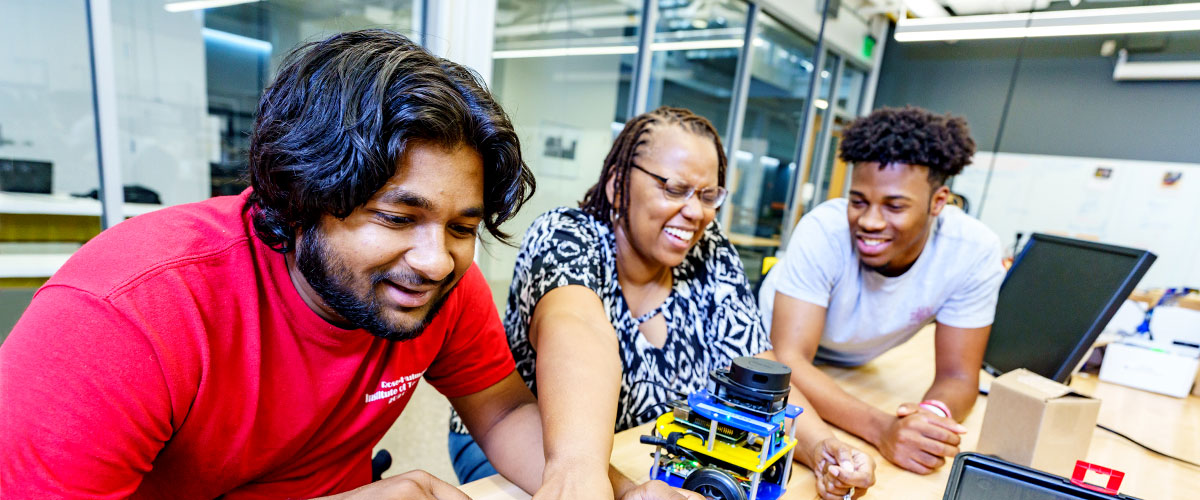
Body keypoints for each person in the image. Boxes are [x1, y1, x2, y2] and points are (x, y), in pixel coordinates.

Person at [0, 30, 689, 500]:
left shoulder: (440, 284)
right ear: (300, 196)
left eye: (462, 227)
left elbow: (504, 412)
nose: (435, 259)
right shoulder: (123, 315)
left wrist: (607, 487)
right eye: (396, 217)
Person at [448, 107, 876, 500]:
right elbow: (575, 334)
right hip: (529, 441)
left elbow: (757, 369)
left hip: (647, 453)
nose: (695, 212)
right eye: (674, 189)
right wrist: (609, 483)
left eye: (708, 197)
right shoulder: (566, 235)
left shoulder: (712, 252)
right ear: (618, 185)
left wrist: (822, 446)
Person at [760, 106, 1006, 475]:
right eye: (858, 201)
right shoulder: (824, 231)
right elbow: (788, 361)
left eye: (894, 206)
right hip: (771, 357)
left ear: (938, 201)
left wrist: (929, 421)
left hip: (852, 365)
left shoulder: (973, 251)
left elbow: (958, 377)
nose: (870, 221)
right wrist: (882, 428)